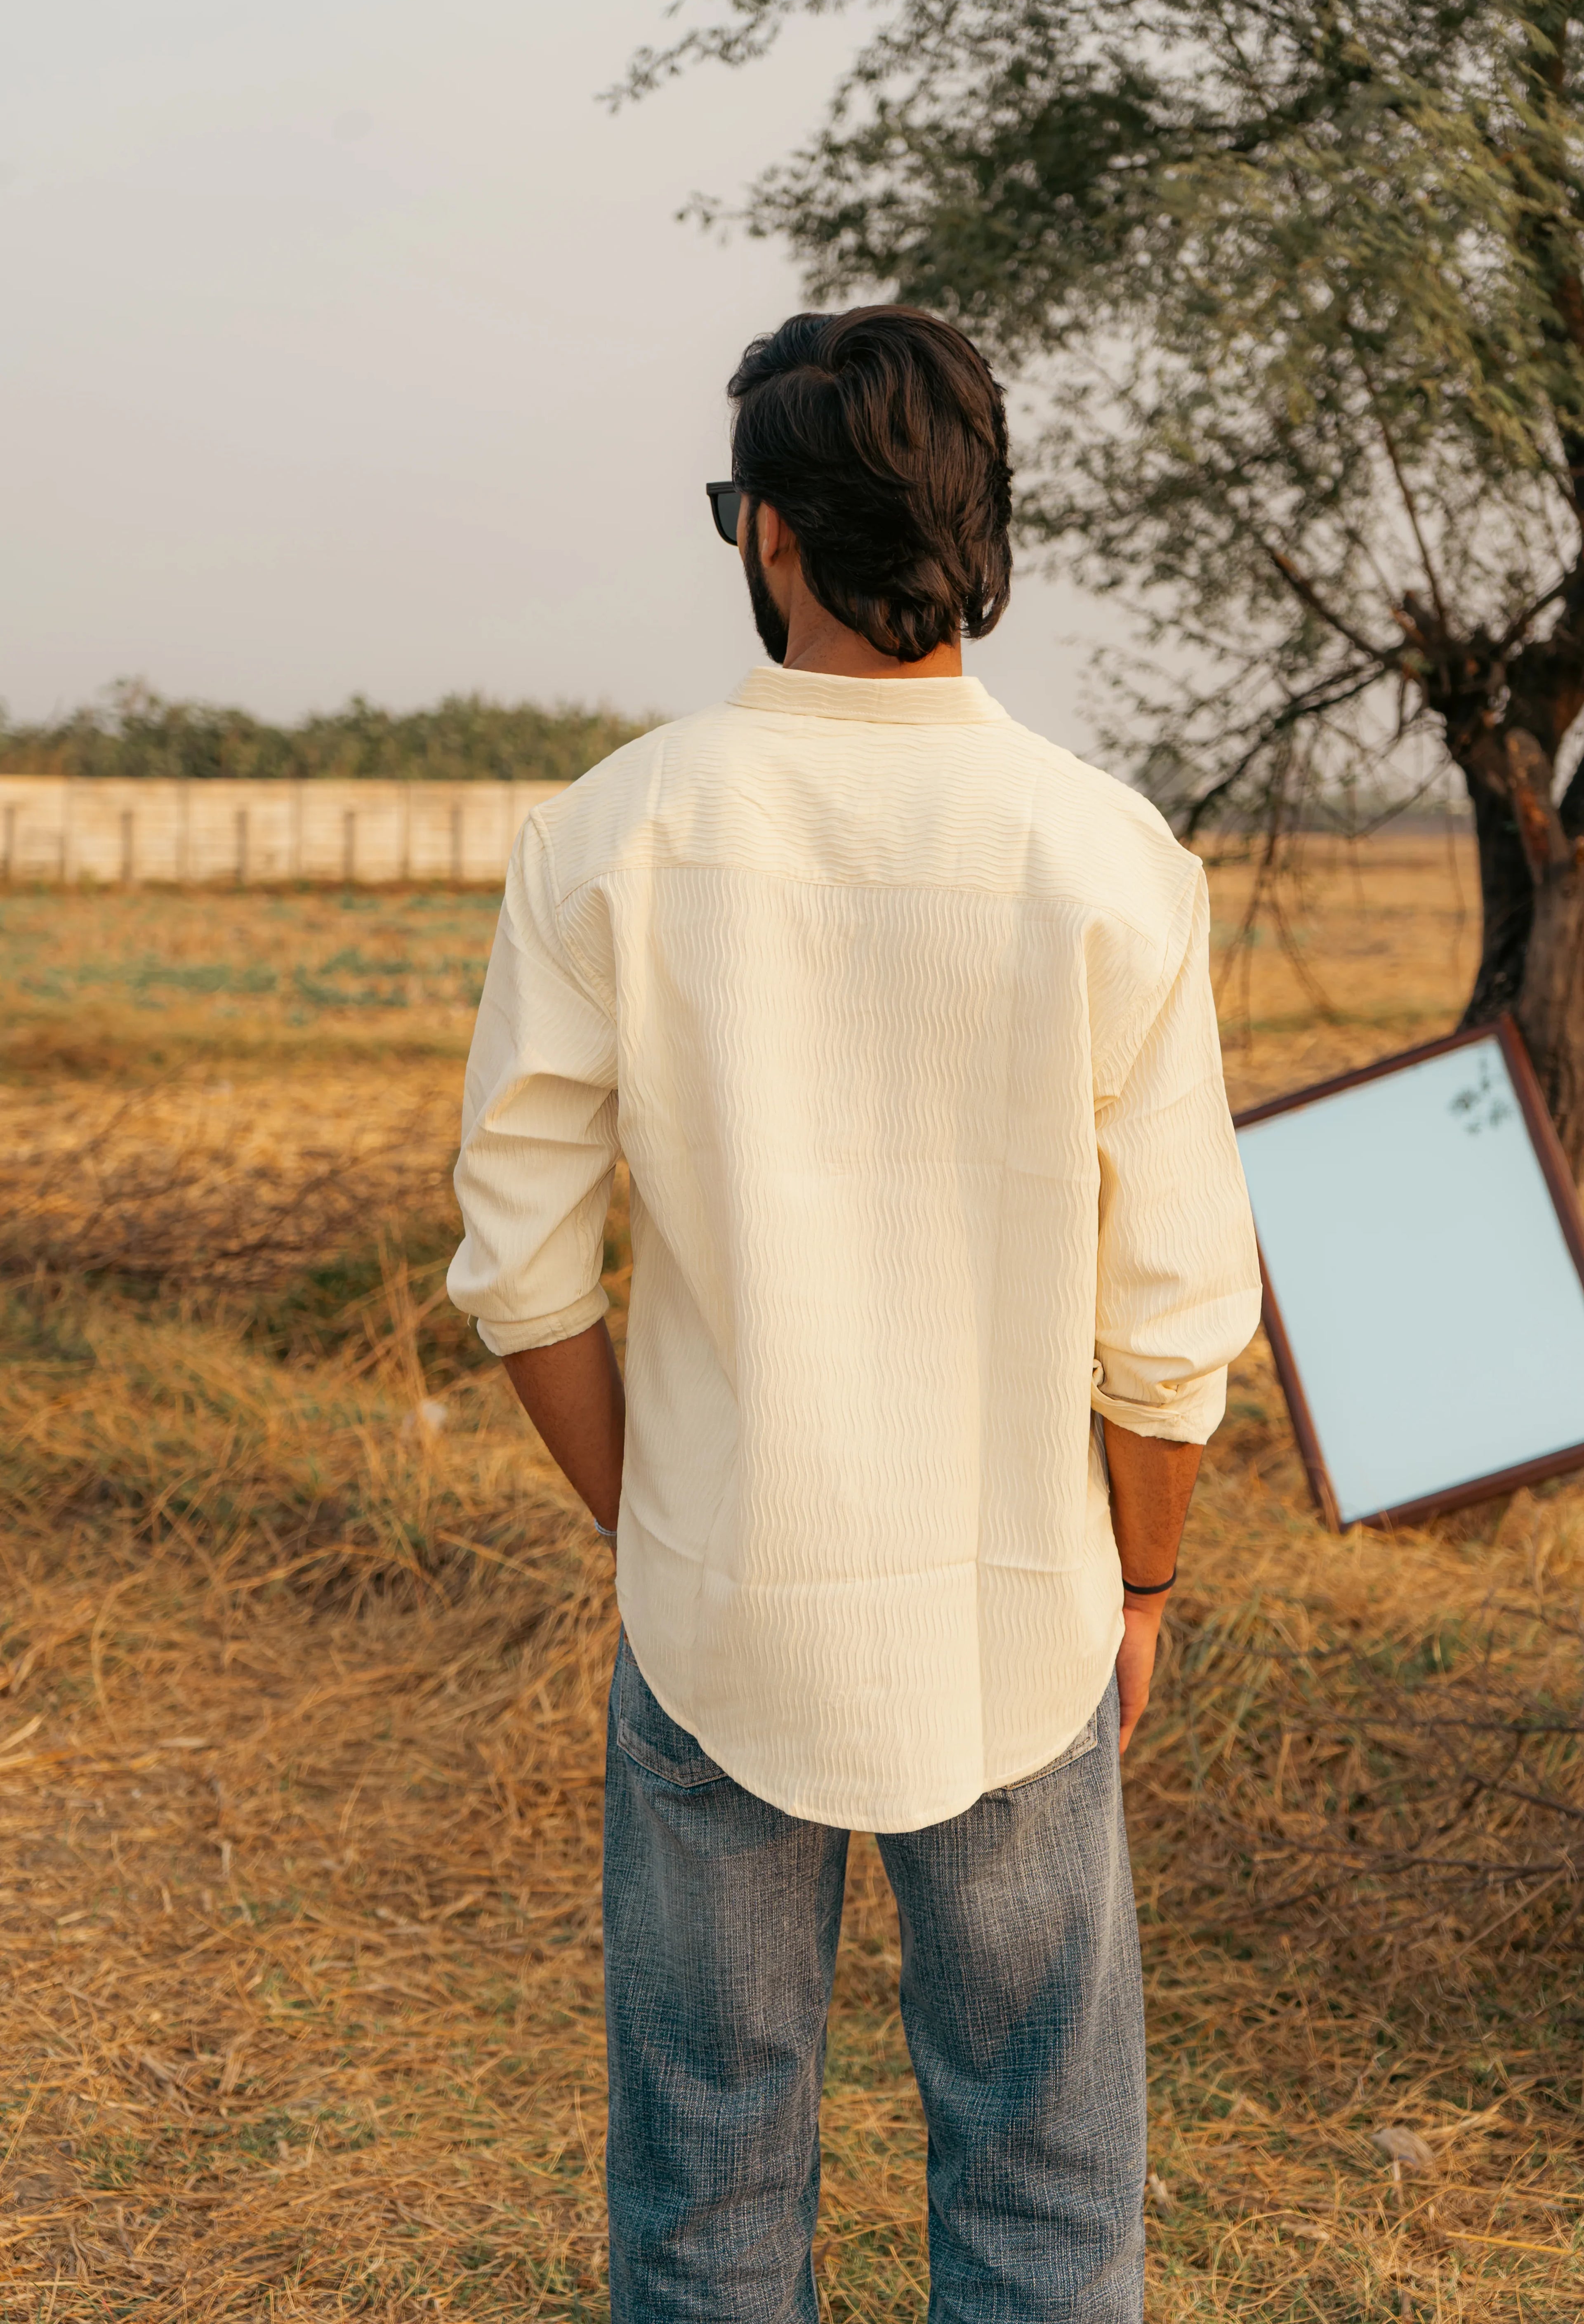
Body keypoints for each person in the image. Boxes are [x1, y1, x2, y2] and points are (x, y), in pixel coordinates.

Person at [448, 306, 1261, 2324]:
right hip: (1020, 1610)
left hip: (720, 1606)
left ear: (780, 539)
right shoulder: (1108, 856)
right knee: (1046, 2195)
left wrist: (667, 1516)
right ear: (974, 536)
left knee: (709, 2195)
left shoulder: (612, 833)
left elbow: (521, 1259)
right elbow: (1172, 1321)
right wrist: (1139, 1591)